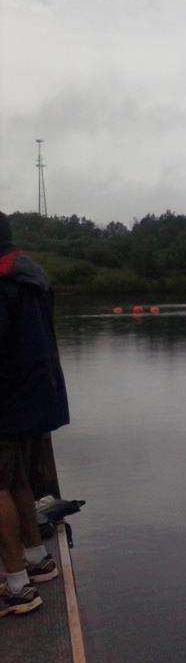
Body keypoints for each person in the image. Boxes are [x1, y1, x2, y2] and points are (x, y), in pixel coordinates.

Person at [0, 212, 69, 617]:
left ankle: (16, 586)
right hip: (33, 397)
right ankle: (37, 559)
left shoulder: (3, 280)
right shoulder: (31, 274)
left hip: (6, 400)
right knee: (16, 480)